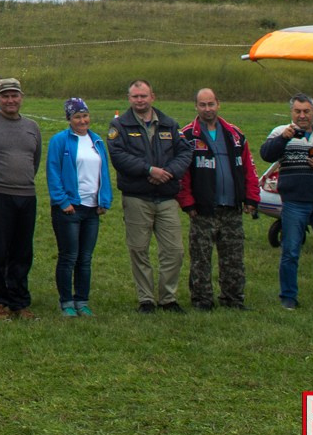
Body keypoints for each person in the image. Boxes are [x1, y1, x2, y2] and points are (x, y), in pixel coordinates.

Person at [107, 78, 192, 313]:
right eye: (135, 96)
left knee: (174, 250)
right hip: (137, 197)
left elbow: (185, 153)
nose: (139, 100)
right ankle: (146, 299)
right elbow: (118, 156)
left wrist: (169, 173)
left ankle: (168, 298)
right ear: (129, 99)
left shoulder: (169, 124)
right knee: (139, 249)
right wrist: (148, 170)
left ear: (152, 96)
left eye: (143, 96)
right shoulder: (120, 126)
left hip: (166, 197)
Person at [177, 87, 259, 312]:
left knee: (234, 257)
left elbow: (249, 169)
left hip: (231, 206)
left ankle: (233, 298)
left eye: (211, 104)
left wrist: (252, 197)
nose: (207, 109)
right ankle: (202, 300)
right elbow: (182, 173)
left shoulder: (235, 134)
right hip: (202, 210)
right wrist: (188, 203)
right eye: (202, 105)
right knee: (201, 257)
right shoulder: (187, 135)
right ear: (196, 107)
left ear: (218, 104)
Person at [260, 94, 313, 310]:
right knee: (290, 251)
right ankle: (288, 297)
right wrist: (283, 138)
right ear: (292, 113)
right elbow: (266, 155)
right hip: (294, 202)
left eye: (306, 111)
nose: (302, 115)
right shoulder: (281, 132)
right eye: (298, 111)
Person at [0, 77, 43, 319]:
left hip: (26, 196)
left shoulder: (32, 127)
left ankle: (19, 301)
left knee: (23, 251)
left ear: (21, 97)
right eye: (5, 96)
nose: (10, 100)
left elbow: (34, 160)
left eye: (14, 95)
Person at [46, 97, 110, 316]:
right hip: (70, 207)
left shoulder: (97, 141)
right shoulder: (60, 141)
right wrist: (63, 201)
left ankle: (82, 299)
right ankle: (66, 302)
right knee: (69, 256)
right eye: (77, 117)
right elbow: (53, 172)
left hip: (92, 209)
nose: (82, 121)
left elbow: (104, 173)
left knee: (85, 258)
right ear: (69, 119)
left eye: (85, 116)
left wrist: (104, 201)